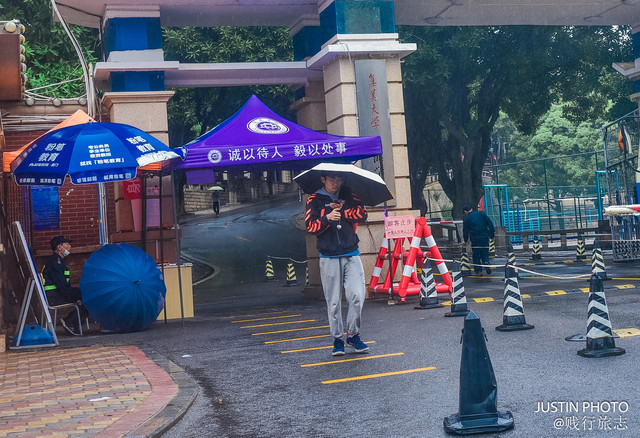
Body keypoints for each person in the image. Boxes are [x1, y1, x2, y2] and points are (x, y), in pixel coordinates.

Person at [305, 171, 369, 356]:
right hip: (328, 256)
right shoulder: (314, 199)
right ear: (323, 179)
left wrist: (343, 210)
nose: (336, 182)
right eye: (332, 179)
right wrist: (327, 216)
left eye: (339, 179)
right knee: (333, 302)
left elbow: (362, 214)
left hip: (351, 252)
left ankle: (353, 334)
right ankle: (338, 339)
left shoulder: (349, 194)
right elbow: (311, 226)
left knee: (357, 296)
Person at [41, 235, 90, 336]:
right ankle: (70, 322)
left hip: (55, 294)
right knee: (88, 299)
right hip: (53, 296)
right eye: (67, 244)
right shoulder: (56, 263)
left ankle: (72, 322)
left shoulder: (58, 261)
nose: (69, 246)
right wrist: (75, 297)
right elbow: (62, 287)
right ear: (59, 247)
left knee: (86, 296)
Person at [462, 204, 495, 275]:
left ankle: (478, 270)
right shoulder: (482, 214)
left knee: (476, 254)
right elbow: (490, 224)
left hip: (474, 237)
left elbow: (465, 231)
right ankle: (486, 262)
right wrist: (492, 235)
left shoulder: (467, 219)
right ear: (471, 209)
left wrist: (466, 240)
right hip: (484, 236)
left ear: (465, 211)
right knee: (485, 251)